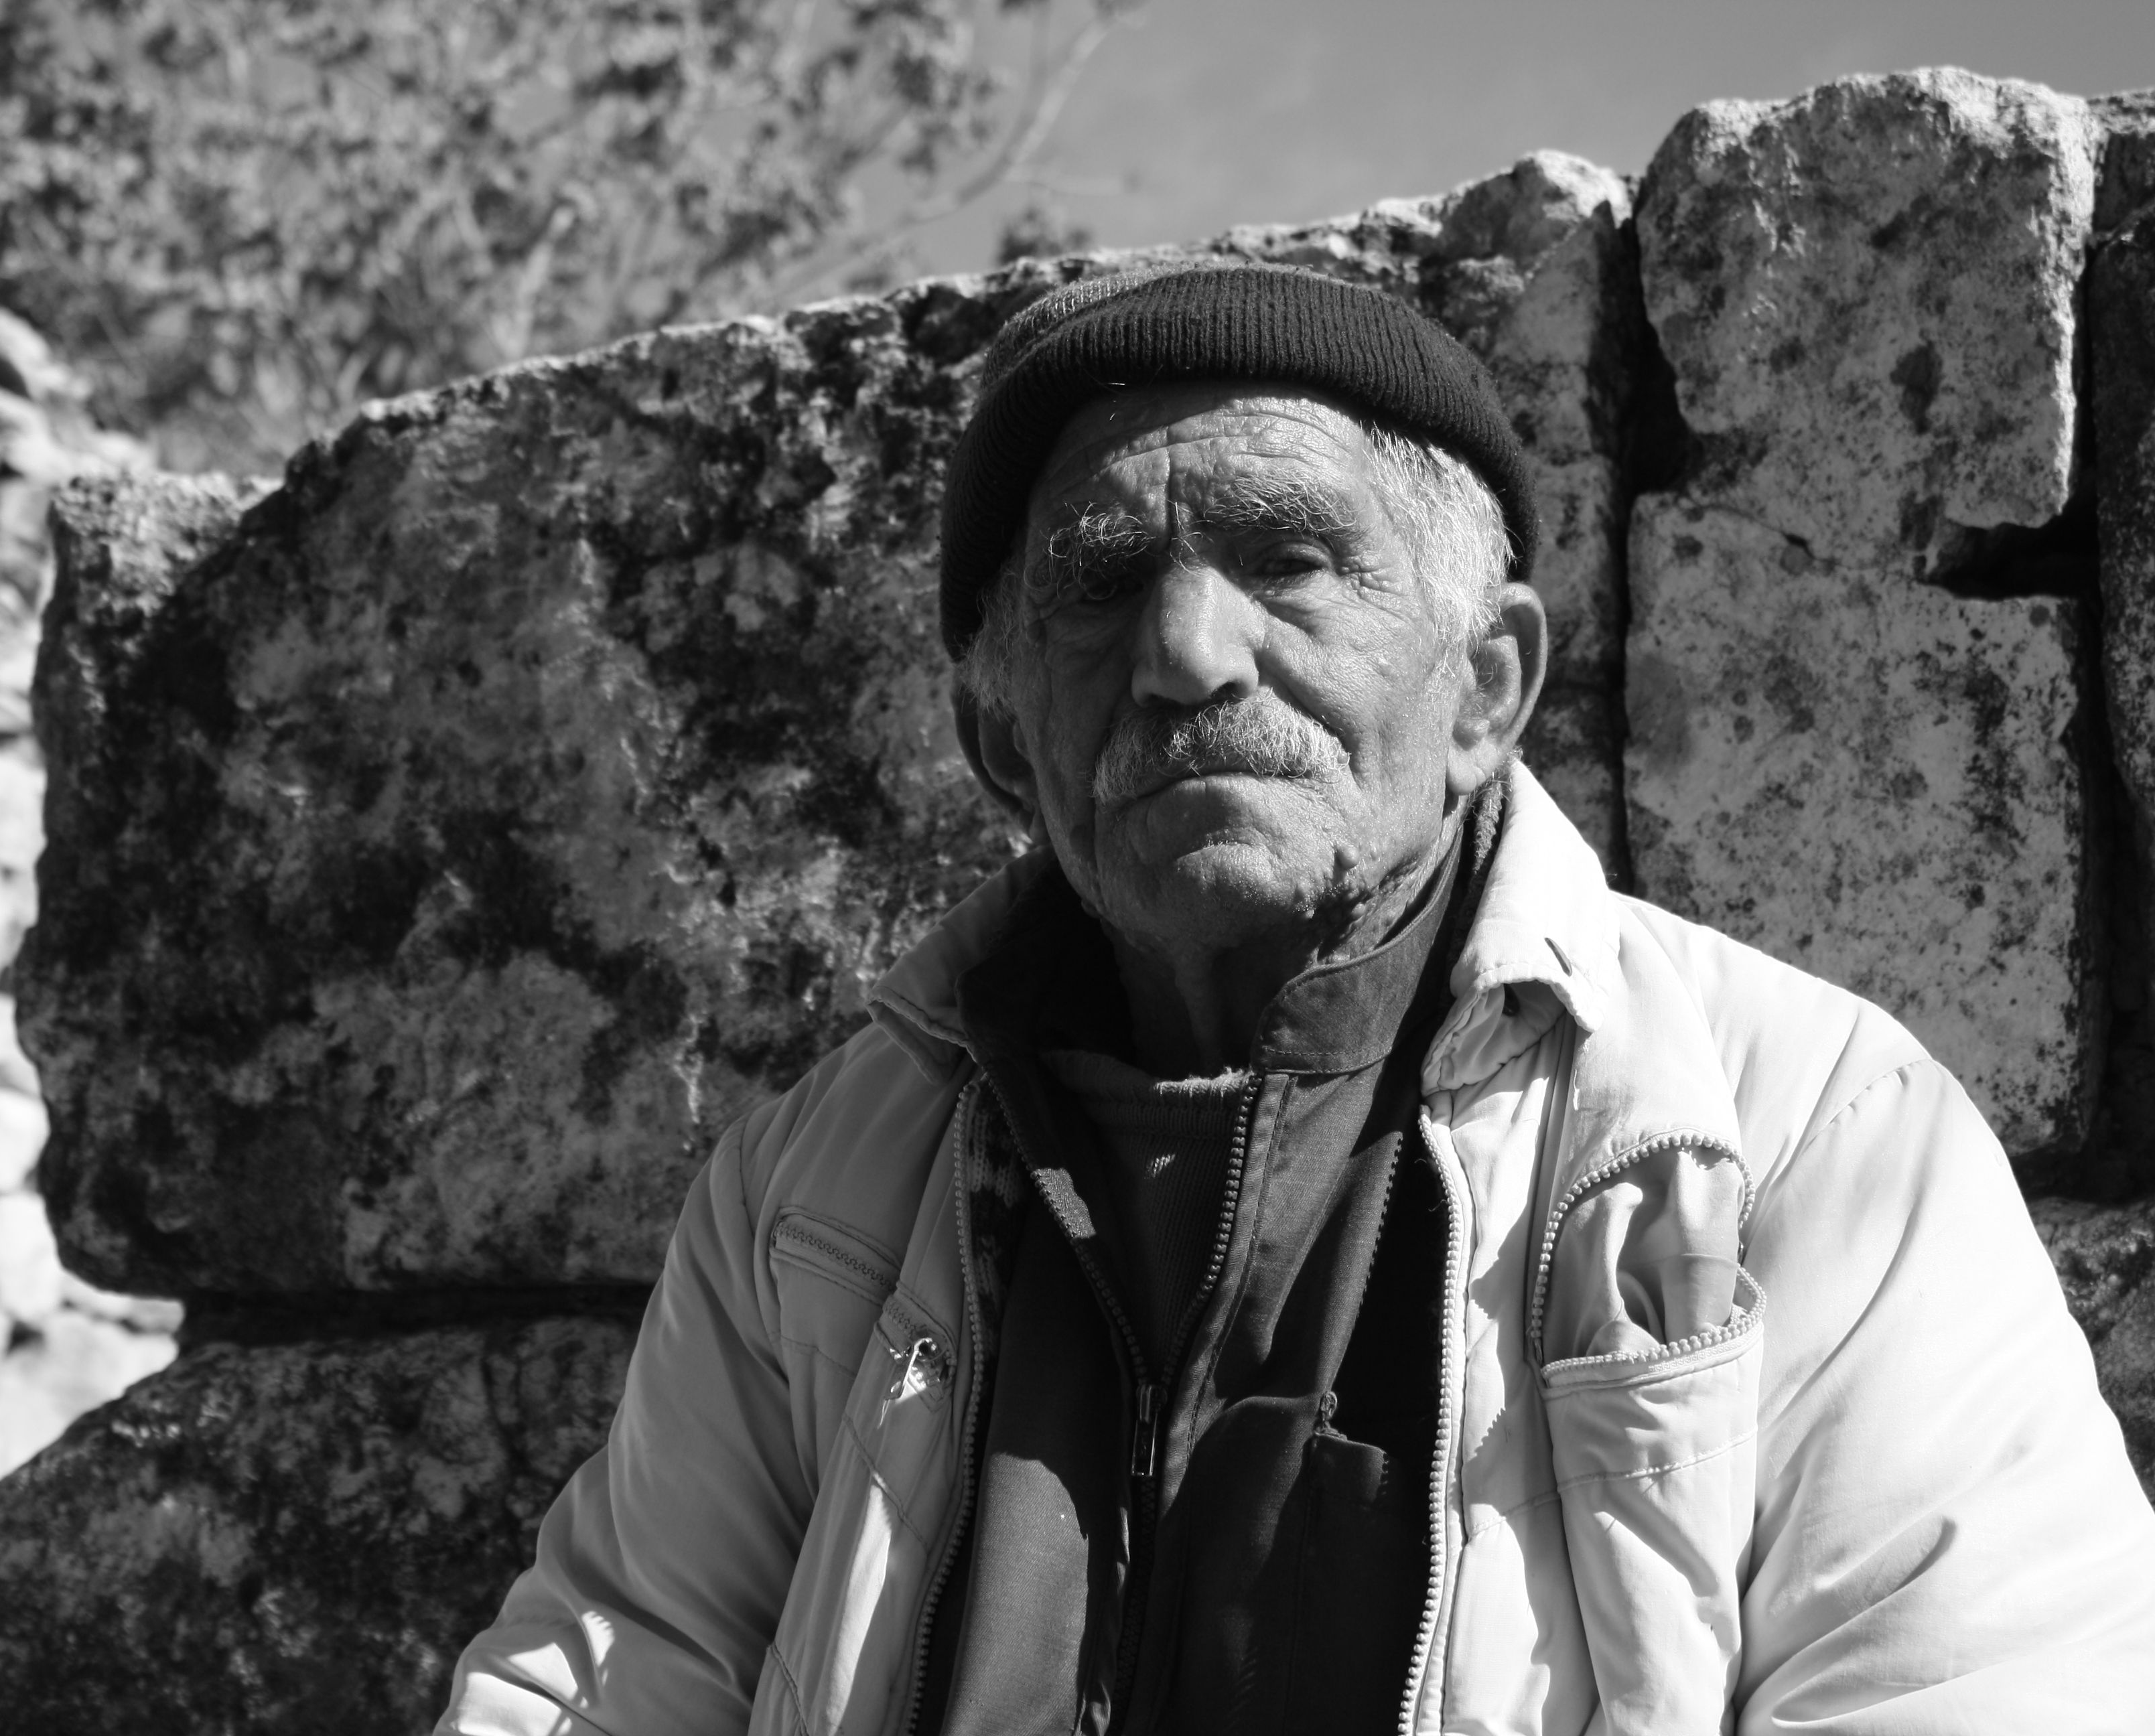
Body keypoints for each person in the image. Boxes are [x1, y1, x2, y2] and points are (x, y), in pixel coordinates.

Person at [436, 263, 2155, 1735]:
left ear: (1487, 688)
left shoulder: (1805, 1135)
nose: (1187, 651)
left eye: (1292, 561)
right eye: (1101, 581)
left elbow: (1974, 1683)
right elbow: (610, 1670)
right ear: (999, 742)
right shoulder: (808, 1193)